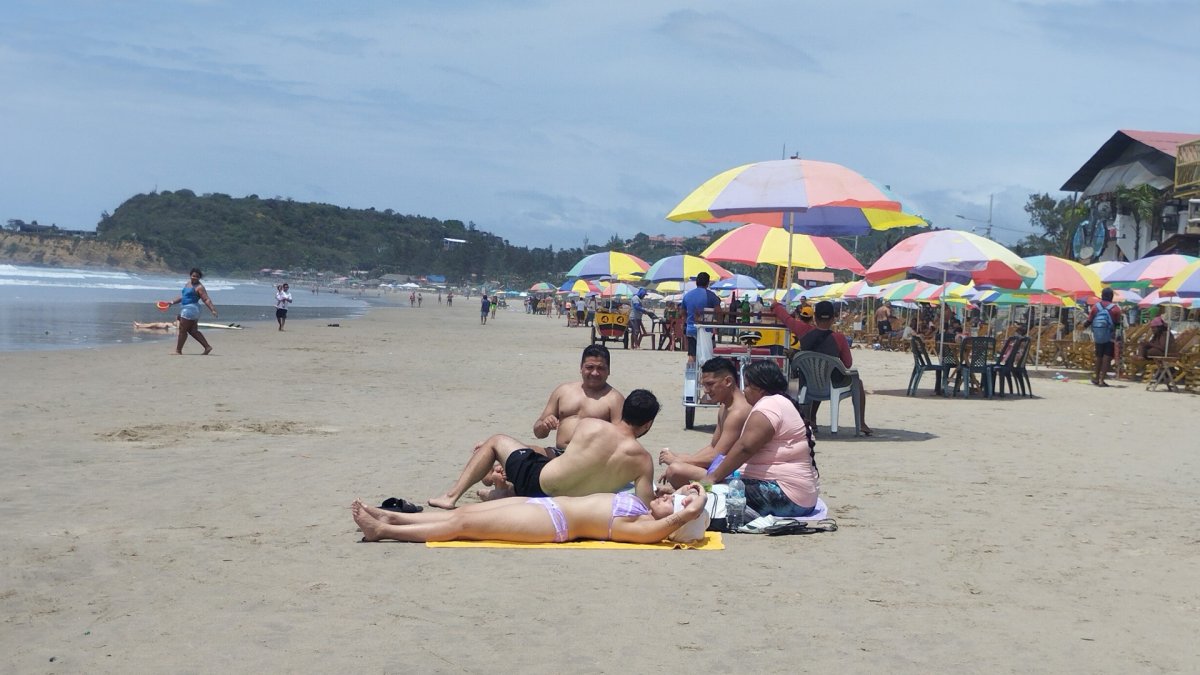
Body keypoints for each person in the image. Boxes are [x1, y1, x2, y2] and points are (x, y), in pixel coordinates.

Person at [428, 389, 661, 509]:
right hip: (570, 504)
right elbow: (643, 505)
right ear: (648, 423)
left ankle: (450, 497)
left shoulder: (591, 425)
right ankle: (499, 491)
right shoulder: (643, 461)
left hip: (540, 484)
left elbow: (566, 450)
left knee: (496, 440)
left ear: (626, 407)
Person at [353, 482, 706, 544]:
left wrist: (691, 511)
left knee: (463, 524)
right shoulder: (644, 508)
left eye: (673, 502)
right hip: (544, 506)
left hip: (551, 523)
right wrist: (691, 492)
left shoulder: (642, 528)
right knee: (468, 514)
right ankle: (396, 518)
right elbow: (675, 502)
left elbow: (674, 522)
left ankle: (384, 532)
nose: (669, 497)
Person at [704, 360, 820, 517]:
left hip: (785, 496)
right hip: (802, 498)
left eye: (748, 386)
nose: (744, 391)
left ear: (759, 388)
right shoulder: (781, 402)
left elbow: (745, 448)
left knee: (705, 498)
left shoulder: (768, 406)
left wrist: (713, 478)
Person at [772, 299, 872, 435]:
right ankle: (861, 423)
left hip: (808, 382)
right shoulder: (839, 338)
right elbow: (847, 363)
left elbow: (786, 318)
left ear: (815, 317)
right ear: (833, 319)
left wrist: (776, 306)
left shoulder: (803, 330)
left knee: (815, 374)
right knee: (857, 383)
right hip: (831, 384)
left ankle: (810, 419)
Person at [658, 357, 752, 488]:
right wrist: (681, 461)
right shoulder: (725, 406)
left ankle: (699, 499)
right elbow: (713, 447)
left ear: (728, 381)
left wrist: (677, 462)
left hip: (736, 476)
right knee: (678, 464)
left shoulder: (738, 411)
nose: (706, 391)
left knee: (675, 470)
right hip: (721, 469)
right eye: (704, 385)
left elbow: (717, 456)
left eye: (710, 384)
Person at [532, 344, 625, 453]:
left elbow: (621, 439)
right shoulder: (563, 391)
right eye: (590, 367)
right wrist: (544, 425)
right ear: (581, 368)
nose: (595, 373)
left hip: (592, 458)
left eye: (601, 368)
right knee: (516, 454)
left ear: (608, 370)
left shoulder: (615, 399)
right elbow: (538, 433)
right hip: (559, 453)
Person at [166, 267, 217, 355]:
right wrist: (171, 302)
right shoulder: (188, 284)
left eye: (197, 277)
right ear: (190, 275)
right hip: (187, 308)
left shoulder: (200, 287)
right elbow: (183, 297)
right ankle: (207, 347)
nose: (194, 278)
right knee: (193, 331)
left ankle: (178, 351)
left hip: (190, 310)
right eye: (193, 276)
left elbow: (206, 299)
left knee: (183, 330)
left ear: (199, 278)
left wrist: (212, 310)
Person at [1083, 287, 1122, 387]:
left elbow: (1089, 321)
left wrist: (1082, 327)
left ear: (1102, 296)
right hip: (1109, 336)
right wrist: (1118, 334)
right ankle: (1102, 380)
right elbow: (1118, 324)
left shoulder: (1096, 307)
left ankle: (1095, 378)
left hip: (1098, 335)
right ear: (1111, 296)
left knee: (1099, 357)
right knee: (1107, 358)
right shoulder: (1115, 308)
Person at [681, 271, 720, 364]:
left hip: (691, 329)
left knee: (692, 355)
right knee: (708, 355)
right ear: (708, 283)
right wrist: (717, 323)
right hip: (707, 331)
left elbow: (683, 313)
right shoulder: (711, 296)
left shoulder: (687, 295)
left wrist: (687, 322)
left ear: (696, 282)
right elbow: (719, 312)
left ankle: (690, 376)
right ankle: (705, 375)